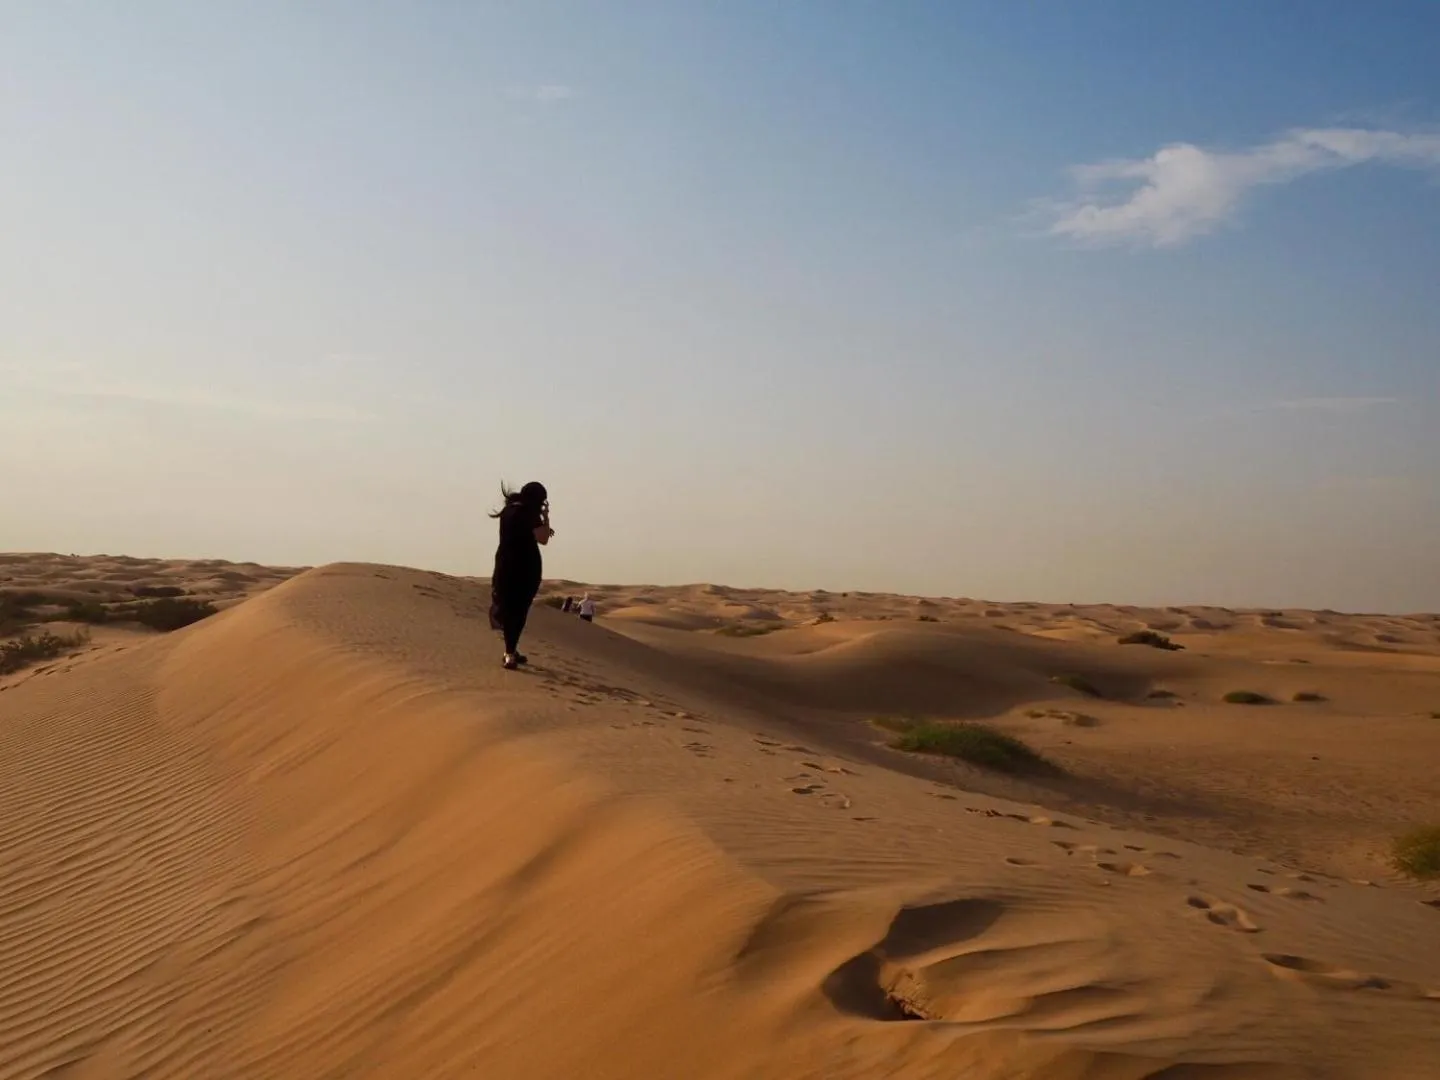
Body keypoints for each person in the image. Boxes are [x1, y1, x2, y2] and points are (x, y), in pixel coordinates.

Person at [488, 481, 554, 669]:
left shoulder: (509, 510)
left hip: (504, 564)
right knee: (518, 611)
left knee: (509, 607)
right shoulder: (529, 513)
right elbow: (543, 538)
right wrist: (546, 517)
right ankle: (509, 653)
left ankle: (511, 649)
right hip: (525, 567)